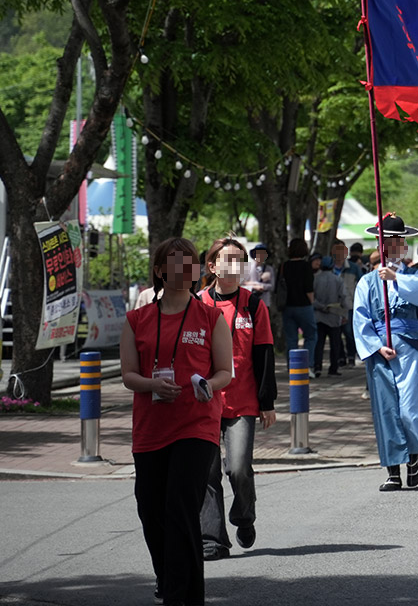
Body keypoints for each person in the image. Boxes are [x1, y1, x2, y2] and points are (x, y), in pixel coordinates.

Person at [120, 238, 233, 605]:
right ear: (159, 270)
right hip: (151, 428)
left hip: (195, 424)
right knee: (150, 509)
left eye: (191, 262)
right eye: (176, 262)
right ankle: (168, 577)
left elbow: (224, 372)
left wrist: (208, 386)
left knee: (180, 506)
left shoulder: (210, 316)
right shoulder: (137, 319)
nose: (185, 269)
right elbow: (128, 375)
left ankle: (183, 596)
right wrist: (152, 384)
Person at [198, 238, 277, 561]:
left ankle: (244, 517)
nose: (233, 264)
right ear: (212, 266)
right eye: (227, 259)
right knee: (206, 473)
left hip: (242, 402)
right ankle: (212, 539)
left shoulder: (254, 305)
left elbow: (264, 355)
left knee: (239, 468)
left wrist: (267, 402)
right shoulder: (198, 303)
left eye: (239, 259)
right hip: (203, 402)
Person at [354, 215, 418, 491]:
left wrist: (395, 279)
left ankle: (413, 456)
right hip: (382, 351)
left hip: (412, 351)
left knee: (411, 410)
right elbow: (360, 318)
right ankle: (393, 469)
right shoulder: (367, 282)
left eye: (397, 242)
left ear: (404, 247)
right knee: (387, 410)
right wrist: (376, 346)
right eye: (386, 242)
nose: (392, 247)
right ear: (380, 246)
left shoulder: (416, 275)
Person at [280, 239, 319, 375]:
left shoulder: (284, 266)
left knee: (291, 339)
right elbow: (308, 287)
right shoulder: (306, 266)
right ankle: (307, 366)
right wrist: (312, 301)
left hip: (287, 306)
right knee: (311, 336)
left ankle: (293, 367)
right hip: (303, 306)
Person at [312, 255, 348, 377]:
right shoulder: (338, 280)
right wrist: (345, 313)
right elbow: (343, 297)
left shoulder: (315, 279)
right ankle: (333, 368)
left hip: (318, 315)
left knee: (319, 344)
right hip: (334, 314)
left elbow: (312, 298)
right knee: (335, 343)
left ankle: (317, 367)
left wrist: (321, 306)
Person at [330, 239, 362, 370]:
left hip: (349, 304)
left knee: (349, 332)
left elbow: (361, 284)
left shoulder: (353, 268)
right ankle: (340, 357)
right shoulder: (328, 267)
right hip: (333, 305)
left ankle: (350, 356)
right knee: (336, 333)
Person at [242, 245, 275, 310]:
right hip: (250, 301)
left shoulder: (269, 269)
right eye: (258, 253)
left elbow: (272, 286)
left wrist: (262, 286)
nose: (260, 256)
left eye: (263, 254)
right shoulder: (248, 268)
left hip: (264, 302)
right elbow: (242, 284)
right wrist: (254, 286)